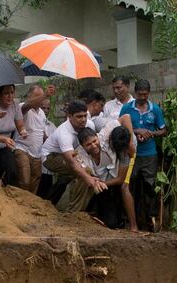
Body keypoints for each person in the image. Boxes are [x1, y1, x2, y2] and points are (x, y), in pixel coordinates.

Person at [63, 120, 138, 231]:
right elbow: (86, 174)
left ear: (97, 136)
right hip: (102, 177)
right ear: (83, 146)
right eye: (88, 144)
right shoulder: (80, 155)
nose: (93, 146)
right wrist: (96, 182)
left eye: (94, 141)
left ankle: (133, 226)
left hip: (124, 149)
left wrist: (130, 142)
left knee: (123, 187)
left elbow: (126, 117)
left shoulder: (105, 136)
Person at [120, 78, 167, 230]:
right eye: (139, 94)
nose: (142, 97)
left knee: (150, 187)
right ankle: (129, 220)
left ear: (149, 94)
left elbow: (163, 130)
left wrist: (150, 133)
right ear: (135, 93)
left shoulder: (155, 110)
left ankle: (150, 221)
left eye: (145, 95)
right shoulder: (127, 108)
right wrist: (136, 131)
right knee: (129, 186)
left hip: (150, 154)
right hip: (131, 154)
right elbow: (119, 128)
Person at [41, 100, 106, 208]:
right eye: (79, 117)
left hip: (72, 154)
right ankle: (74, 211)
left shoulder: (89, 124)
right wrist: (87, 177)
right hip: (51, 156)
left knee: (74, 176)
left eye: (85, 116)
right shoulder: (64, 133)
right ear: (69, 116)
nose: (83, 120)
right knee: (83, 174)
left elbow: (89, 145)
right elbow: (72, 162)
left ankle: (48, 204)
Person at [14, 84, 47, 193]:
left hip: (37, 153)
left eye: (42, 97)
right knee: (25, 181)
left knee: (35, 181)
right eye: (37, 96)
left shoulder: (42, 113)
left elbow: (41, 133)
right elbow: (28, 105)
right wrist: (46, 94)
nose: (40, 99)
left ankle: (30, 206)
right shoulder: (22, 107)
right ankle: (21, 205)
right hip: (22, 149)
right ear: (29, 97)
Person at [37, 97, 57, 198]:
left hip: (48, 168)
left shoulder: (52, 126)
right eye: (43, 108)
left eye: (48, 108)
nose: (45, 111)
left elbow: (56, 144)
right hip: (37, 165)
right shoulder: (33, 122)